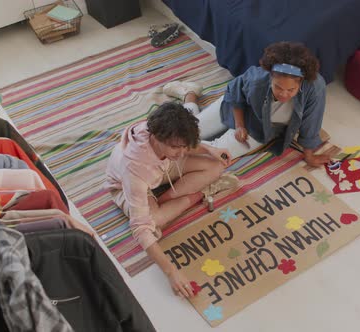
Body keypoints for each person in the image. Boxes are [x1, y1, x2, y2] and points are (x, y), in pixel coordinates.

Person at [105, 102, 238, 298]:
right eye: (177, 147)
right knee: (153, 222)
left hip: (162, 167)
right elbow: (140, 228)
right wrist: (171, 272)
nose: (183, 152)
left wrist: (210, 150)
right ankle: (199, 194)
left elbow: (183, 145)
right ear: (157, 137)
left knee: (216, 167)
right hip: (126, 186)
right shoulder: (134, 170)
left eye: (184, 146)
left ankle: (166, 198)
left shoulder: (165, 134)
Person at [163, 42, 332, 167]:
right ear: (270, 77)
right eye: (278, 87)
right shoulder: (257, 79)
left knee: (215, 155)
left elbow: (312, 121)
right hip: (235, 109)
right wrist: (239, 125)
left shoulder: (315, 87)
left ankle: (189, 96)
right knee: (186, 132)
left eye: (291, 90)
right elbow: (235, 92)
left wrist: (309, 156)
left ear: (301, 82)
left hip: (260, 128)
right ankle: (189, 95)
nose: (284, 94)